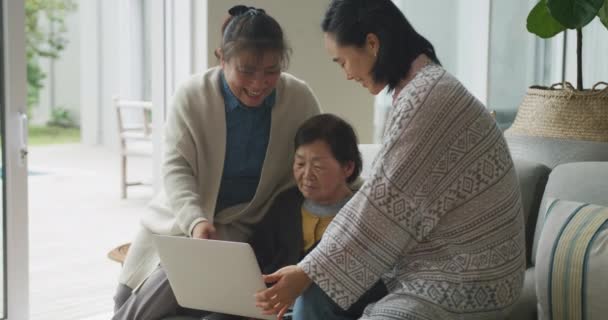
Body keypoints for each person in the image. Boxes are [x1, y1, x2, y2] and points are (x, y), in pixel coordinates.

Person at [255, 0, 526, 319]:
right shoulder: (420, 88)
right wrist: (310, 272)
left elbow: (382, 207)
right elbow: (383, 199)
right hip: (426, 266)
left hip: (470, 279)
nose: (346, 75)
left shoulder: (428, 98)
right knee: (317, 291)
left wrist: (307, 270)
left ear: (372, 44)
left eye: (343, 62)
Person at [112, 5, 321, 320]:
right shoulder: (192, 95)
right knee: (125, 296)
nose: (259, 83)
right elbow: (176, 167)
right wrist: (195, 220)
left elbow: (323, 151)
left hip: (242, 228)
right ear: (221, 58)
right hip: (179, 219)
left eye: (271, 70)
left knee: (164, 294)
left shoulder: (299, 98)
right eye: (246, 70)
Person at [250, 114, 387, 320]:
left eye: (318, 166)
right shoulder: (285, 204)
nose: (306, 175)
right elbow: (255, 259)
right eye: (299, 164)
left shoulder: (363, 213)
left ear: (347, 168)